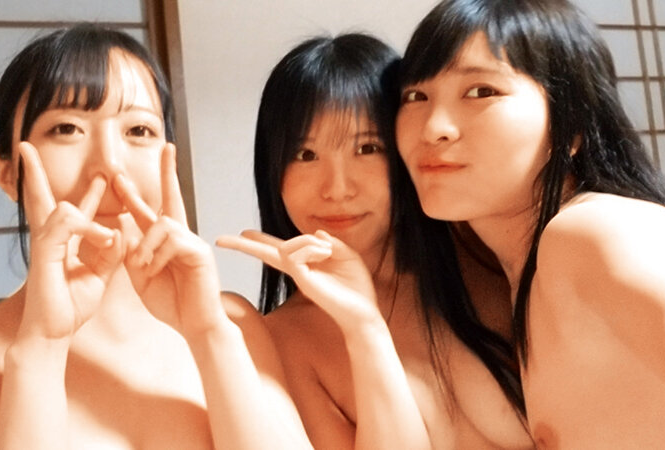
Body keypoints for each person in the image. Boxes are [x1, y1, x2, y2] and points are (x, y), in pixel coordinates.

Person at [0, 24, 311, 449]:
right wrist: (42, 346)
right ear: (8, 172)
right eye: (66, 129)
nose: (110, 163)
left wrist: (209, 336)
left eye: (138, 131)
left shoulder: (232, 322)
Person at [218, 33, 532, 449]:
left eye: (366, 147)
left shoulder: (487, 263)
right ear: (272, 169)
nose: (337, 189)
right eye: (306, 155)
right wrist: (363, 327)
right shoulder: (281, 341)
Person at [394, 0, 665, 447]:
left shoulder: (592, 232)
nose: (434, 128)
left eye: (481, 91)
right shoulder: (507, 273)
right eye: (415, 96)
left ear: (572, 124)